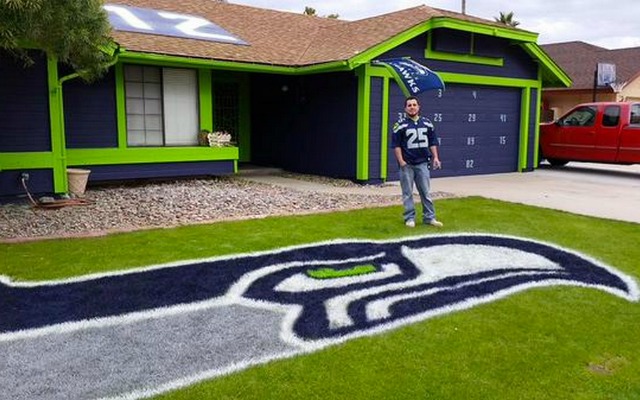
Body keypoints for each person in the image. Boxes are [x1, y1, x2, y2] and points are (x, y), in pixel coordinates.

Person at [391, 96, 443, 228]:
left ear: (419, 107)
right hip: (407, 164)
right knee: (407, 193)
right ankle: (409, 218)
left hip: (422, 163)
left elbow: (432, 142)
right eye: (409, 105)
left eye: (414, 105)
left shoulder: (427, 123)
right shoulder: (400, 125)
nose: (412, 107)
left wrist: (435, 157)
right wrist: (401, 161)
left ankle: (429, 217)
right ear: (405, 108)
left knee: (425, 192)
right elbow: (396, 145)